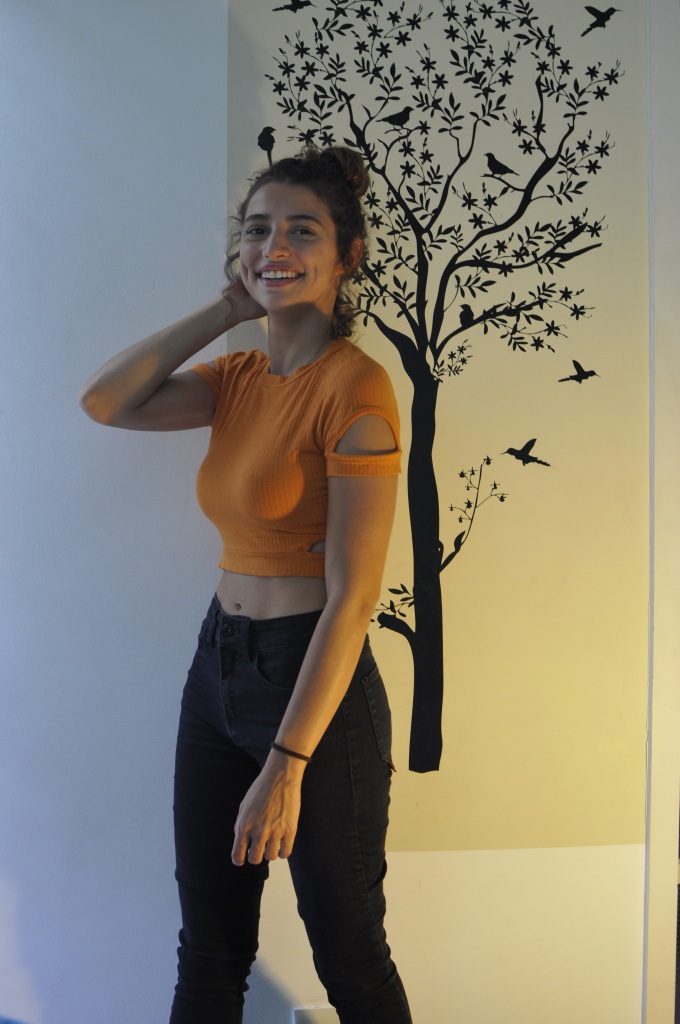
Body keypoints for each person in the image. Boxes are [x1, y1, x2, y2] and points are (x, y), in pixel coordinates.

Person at [79, 145, 412, 1024]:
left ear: (348, 256)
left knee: (350, 955)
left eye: (302, 231)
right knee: (210, 949)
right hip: (216, 669)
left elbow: (354, 597)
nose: (275, 247)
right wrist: (229, 308)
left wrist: (289, 762)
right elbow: (106, 402)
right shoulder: (236, 379)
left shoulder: (357, 389)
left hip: (312, 684)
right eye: (258, 230)